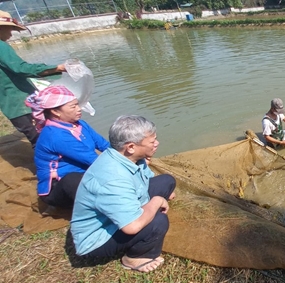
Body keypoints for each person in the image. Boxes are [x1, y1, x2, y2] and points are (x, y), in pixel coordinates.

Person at [71, 115, 176, 273]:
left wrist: (161, 194)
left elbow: (147, 178)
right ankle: (133, 258)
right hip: (97, 239)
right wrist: (156, 201)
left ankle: (145, 210)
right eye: (152, 141)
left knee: (167, 181)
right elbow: (131, 227)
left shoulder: (129, 156)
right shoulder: (113, 179)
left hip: (123, 204)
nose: (157, 143)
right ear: (131, 147)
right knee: (159, 222)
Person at [25, 85, 110, 209]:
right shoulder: (55, 135)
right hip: (59, 187)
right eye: (73, 106)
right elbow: (92, 159)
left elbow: (103, 144)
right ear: (55, 111)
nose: (79, 109)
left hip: (84, 174)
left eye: (77, 104)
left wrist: (125, 155)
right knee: (72, 180)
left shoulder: (80, 124)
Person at [0, 10, 66, 147]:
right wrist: (57, 68)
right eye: (10, 29)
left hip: (10, 105)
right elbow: (21, 68)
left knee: (40, 138)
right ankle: (48, 167)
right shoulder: (1, 46)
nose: (11, 33)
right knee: (42, 140)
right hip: (20, 104)